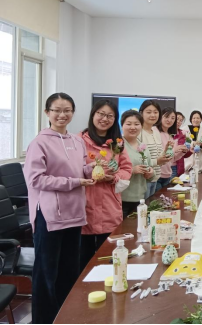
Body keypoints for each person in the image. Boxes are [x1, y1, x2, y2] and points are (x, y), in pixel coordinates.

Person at [24, 93, 96, 325]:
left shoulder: (77, 141)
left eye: (67, 110)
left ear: (73, 112)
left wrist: (94, 168)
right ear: (47, 113)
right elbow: (36, 179)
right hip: (50, 215)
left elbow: (81, 168)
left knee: (69, 270)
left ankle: (66, 316)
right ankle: (44, 320)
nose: (62, 115)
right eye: (57, 110)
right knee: (46, 273)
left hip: (75, 212)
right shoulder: (39, 142)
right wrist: (74, 182)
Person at [79, 100, 132, 272]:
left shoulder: (118, 143)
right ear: (93, 115)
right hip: (84, 203)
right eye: (101, 114)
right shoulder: (78, 140)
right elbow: (71, 169)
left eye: (110, 116)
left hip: (109, 203)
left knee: (109, 257)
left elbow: (126, 168)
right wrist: (91, 171)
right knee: (83, 260)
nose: (104, 119)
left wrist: (114, 177)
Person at [120, 110, 156, 218]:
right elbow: (111, 172)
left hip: (140, 199)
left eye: (136, 124)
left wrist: (150, 173)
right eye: (128, 124)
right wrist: (131, 170)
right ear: (122, 125)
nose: (133, 127)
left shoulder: (143, 147)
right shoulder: (117, 146)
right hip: (121, 199)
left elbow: (150, 170)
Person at [138, 100, 172, 198]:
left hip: (155, 178)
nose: (153, 115)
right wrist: (157, 161)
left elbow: (158, 156)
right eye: (149, 112)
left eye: (155, 112)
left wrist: (165, 153)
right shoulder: (138, 132)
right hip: (143, 180)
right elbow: (138, 160)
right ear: (141, 113)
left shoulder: (155, 131)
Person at [156, 107, 188, 189]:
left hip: (167, 175)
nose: (169, 120)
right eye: (167, 117)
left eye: (173, 118)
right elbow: (159, 155)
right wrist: (175, 149)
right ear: (160, 116)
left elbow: (172, 159)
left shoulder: (170, 135)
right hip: (157, 175)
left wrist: (182, 152)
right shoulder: (155, 131)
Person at [172, 112, 191, 178]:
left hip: (179, 167)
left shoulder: (182, 134)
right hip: (168, 166)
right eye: (177, 119)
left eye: (181, 120)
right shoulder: (166, 133)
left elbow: (184, 155)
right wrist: (176, 149)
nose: (179, 122)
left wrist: (189, 150)